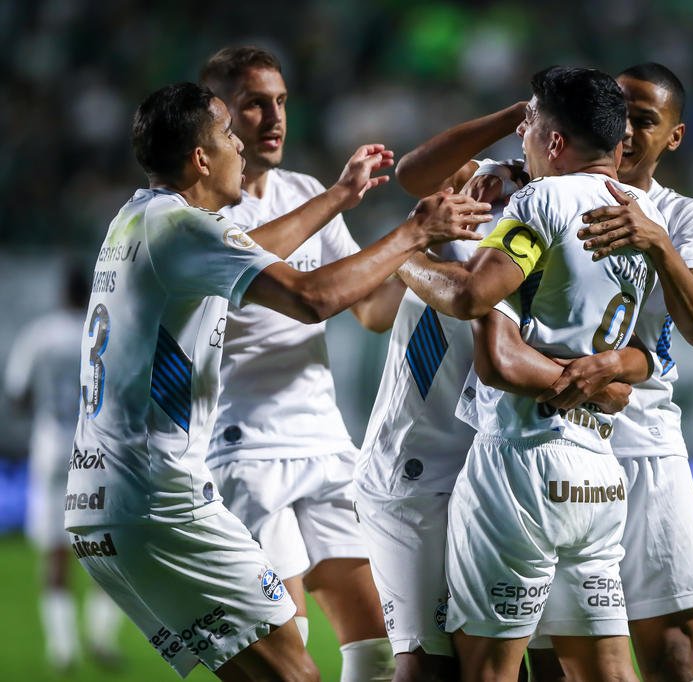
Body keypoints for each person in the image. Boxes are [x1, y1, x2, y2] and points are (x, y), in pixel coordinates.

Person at [65, 80, 490, 681]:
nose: (242, 147)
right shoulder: (182, 229)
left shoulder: (138, 221)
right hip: (165, 500)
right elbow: (312, 297)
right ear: (200, 158)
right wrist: (414, 233)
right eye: (228, 136)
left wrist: (340, 197)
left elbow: (257, 251)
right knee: (296, 674)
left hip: (105, 504)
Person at [397, 65, 666, 682]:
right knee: (607, 671)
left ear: (552, 142)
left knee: (490, 670)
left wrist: (402, 256)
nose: (520, 143)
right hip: (599, 470)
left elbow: (473, 296)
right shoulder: (641, 211)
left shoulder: (539, 201)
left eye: (529, 130)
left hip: (523, 462)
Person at [200, 46, 398, 681]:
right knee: (288, 652)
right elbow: (312, 300)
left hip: (322, 437)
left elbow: (369, 309)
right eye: (254, 103)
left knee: (377, 648)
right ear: (218, 116)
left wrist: (443, 249)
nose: (273, 116)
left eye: (280, 101)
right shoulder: (197, 214)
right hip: (244, 447)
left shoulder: (302, 192)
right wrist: (402, 234)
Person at [528, 63, 693, 682]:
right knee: (557, 657)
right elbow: (416, 179)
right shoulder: (543, 190)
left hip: (644, 445)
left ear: (675, 137)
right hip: (553, 439)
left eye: (647, 121)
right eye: (622, 116)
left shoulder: (686, 217)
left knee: (671, 649)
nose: (629, 133)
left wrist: (657, 242)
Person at [353, 101, 530, 682]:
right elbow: (413, 175)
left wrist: (408, 249)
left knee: (496, 660)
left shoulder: (584, 217)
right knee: (426, 662)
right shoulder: (489, 184)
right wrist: (514, 117)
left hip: (497, 467)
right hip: (416, 462)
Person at [4, 264, 122, 672]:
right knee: (104, 548)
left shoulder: (40, 334)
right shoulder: (101, 333)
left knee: (56, 552)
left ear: (60, 293)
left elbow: (17, 394)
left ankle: (62, 648)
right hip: (95, 452)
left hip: (51, 448)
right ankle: (102, 639)